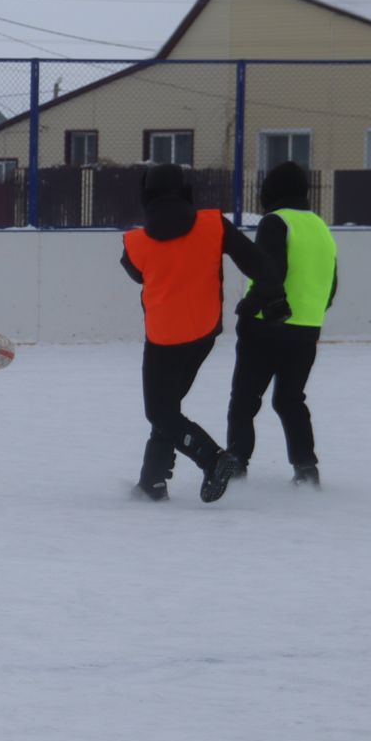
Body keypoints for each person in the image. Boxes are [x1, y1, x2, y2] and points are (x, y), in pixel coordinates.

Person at [119, 162, 270, 502]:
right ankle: (152, 482)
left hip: (163, 338)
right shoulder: (213, 224)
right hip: (203, 332)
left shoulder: (135, 243)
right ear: (185, 191)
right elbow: (257, 263)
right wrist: (265, 297)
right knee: (168, 408)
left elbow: (137, 273)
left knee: (160, 411)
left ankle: (212, 458)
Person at [226, 160, 338, 488]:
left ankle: (235, 467)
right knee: (290, 399)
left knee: (244, 399)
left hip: (267, 326)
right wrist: (310, 312)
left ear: (272, 192)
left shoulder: (275, 222)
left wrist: (248, 308)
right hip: (306, 328)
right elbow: (331, 284)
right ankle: (306, 470)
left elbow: (270, 273)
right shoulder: (319, 226)